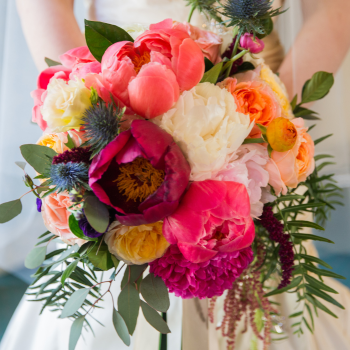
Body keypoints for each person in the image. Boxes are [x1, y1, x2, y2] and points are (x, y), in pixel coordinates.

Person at [1, 0, 350, 349]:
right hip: (113, 118)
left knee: (265, 301)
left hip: (253, 116)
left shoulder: (257, 133)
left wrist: (261, 129)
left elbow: (332, 11)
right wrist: (101, 116)